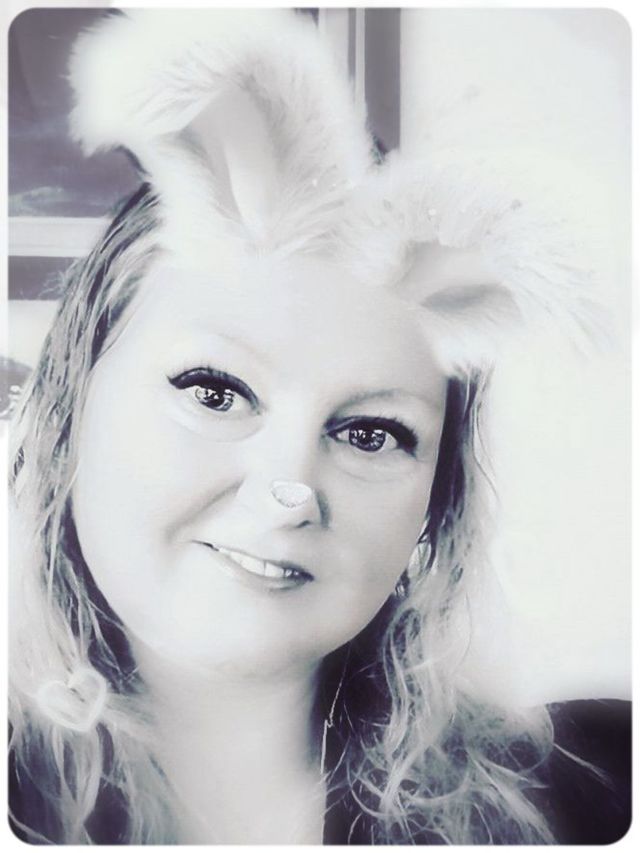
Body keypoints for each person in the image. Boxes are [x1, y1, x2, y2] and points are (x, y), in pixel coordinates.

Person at [7, 9, 629, 845]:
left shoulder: (593, 790)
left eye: (370, 433)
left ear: (433, 505)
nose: (290, 488)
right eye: (215, 392)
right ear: (69, 406)